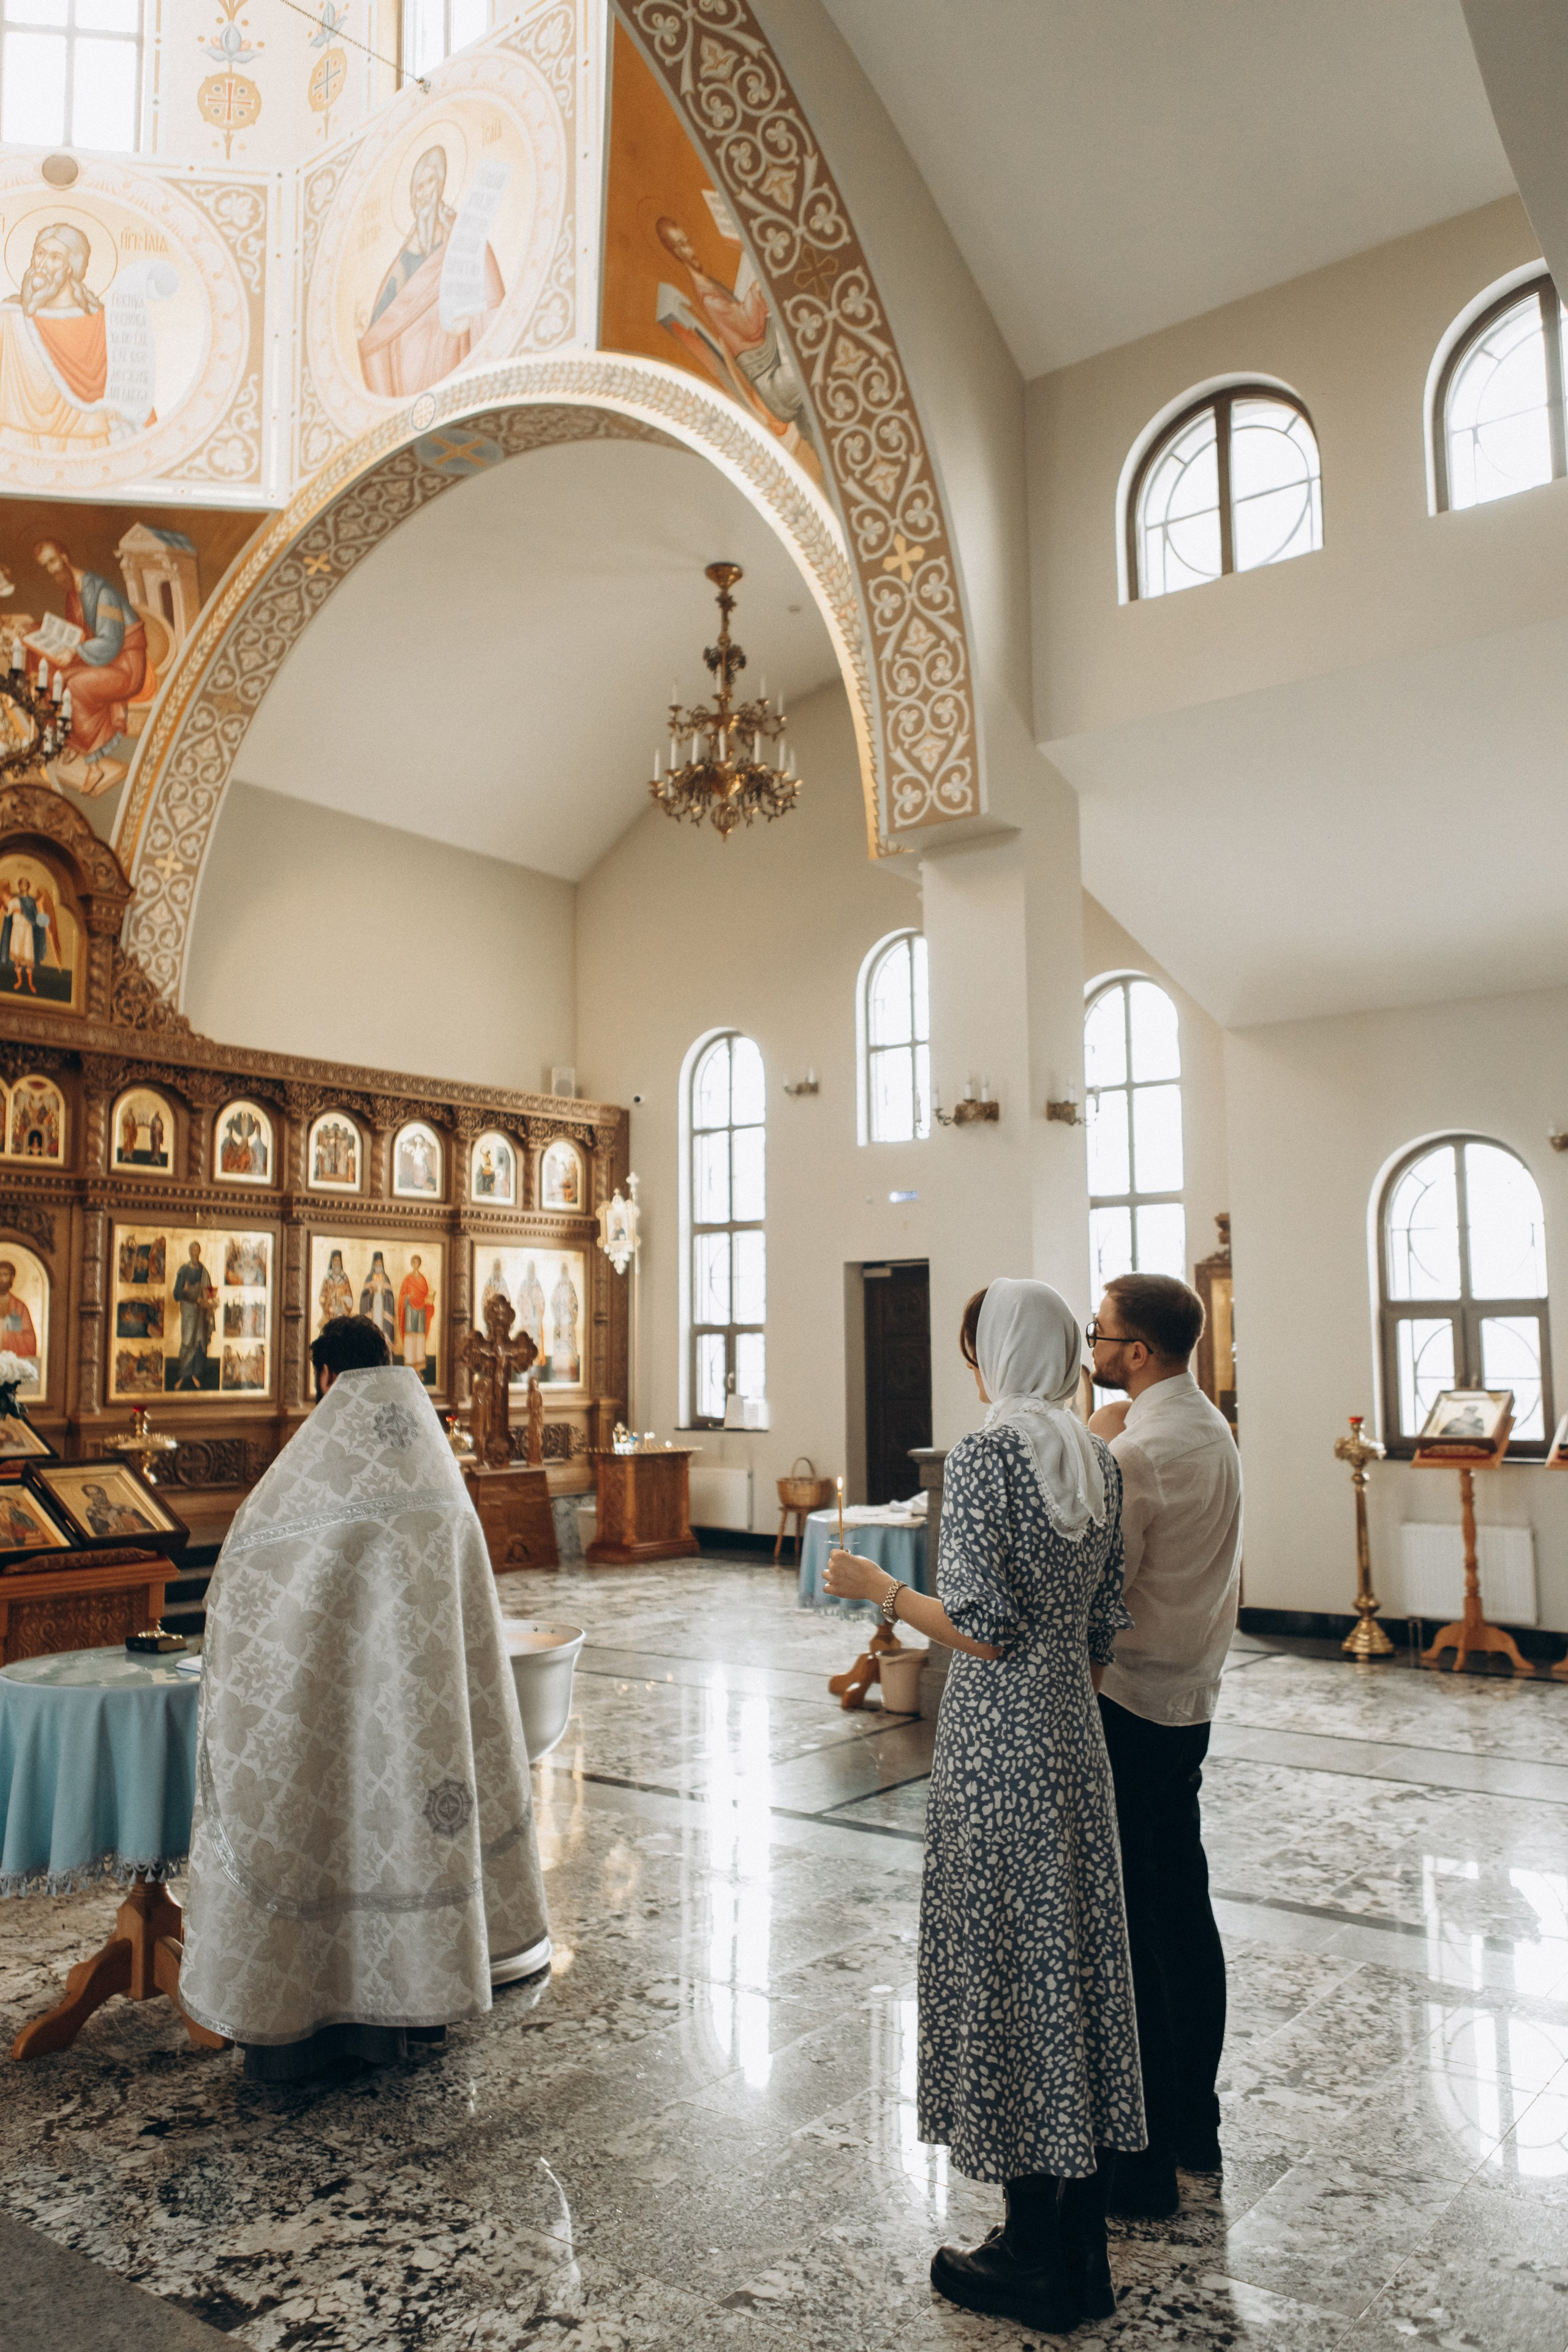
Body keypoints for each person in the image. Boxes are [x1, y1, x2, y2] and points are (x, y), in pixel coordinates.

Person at [825, 1278, 1144, 2335]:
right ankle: (1081, 2254)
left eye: (974, 1350)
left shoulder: (987, 1456)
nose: (971, 1368)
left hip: (998, 1741)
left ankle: (1030, 2255)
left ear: (999, 1355)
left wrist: (880, 1590)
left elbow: (982, 1627)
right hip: (1074, 1737)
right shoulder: (1097, 1457)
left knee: (1007, 1970)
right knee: (1074, 1970)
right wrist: (1061, 1716)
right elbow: (1099, 1630)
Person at [181, 1313, 550, 2080]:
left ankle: (313, 2031)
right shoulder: (432, 1462)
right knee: (409, 1837)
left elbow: (251, 1570)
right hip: (426, 1719)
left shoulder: (325, 1466)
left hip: (337, 1708)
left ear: (326, 1376)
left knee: (330, 1830)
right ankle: (419, 2005)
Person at [1086, 1272, 1243, 2218]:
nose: (1092, 1348)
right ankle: (1196, 2122)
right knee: (1185, 1906)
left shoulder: (1138, 1450)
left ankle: (1142, 2152)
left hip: (1135, 1701)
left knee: (1136, 1923)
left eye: (1101, 1334)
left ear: (1136, 1352)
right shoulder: (1210, 1424)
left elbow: (1103, 1589)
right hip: (1193, 1695)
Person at [172, 1240, 216, 1389]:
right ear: (189, 1252)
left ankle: (195, 1375)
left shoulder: (204, 1271)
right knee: (187, 1341)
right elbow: (176, 1294)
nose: (195, 1254)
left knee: (199, 1342)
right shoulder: (183, 1270)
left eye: (197, 1251)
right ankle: (183, 1375)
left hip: (201, 1312)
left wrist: (212, 1300)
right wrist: (187, 1292)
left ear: (200, 1252)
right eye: (192, 1251)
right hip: (189, 1312)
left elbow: (210, 1292)